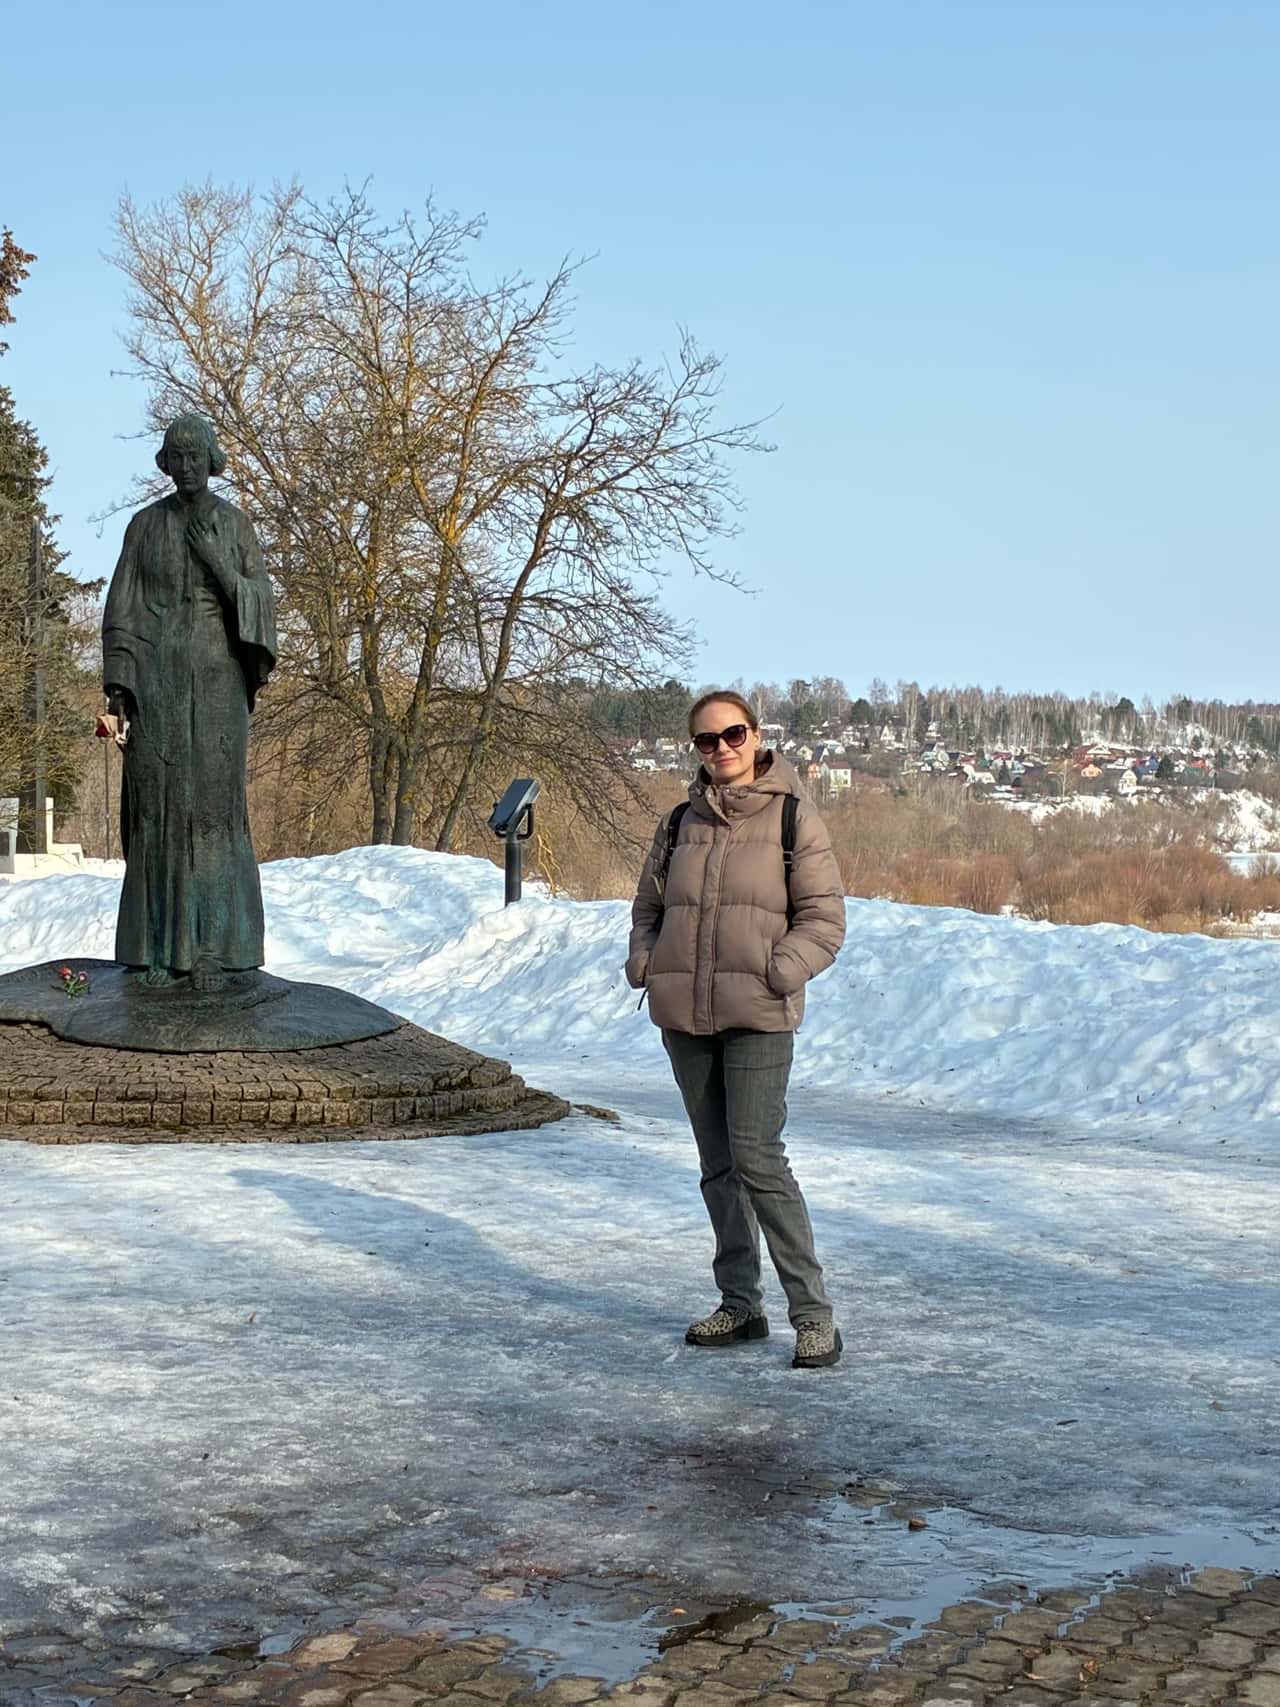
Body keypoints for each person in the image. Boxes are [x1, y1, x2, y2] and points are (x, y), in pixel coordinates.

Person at [626, 691, 847, 1369]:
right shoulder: (677, 821)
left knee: (758, 1159)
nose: (720, 747)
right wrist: (646, 961)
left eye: (732, 733)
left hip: (757, 1015)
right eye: (706, 739)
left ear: (756, 735)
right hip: (685, 1017)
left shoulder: (792, 818)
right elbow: (649, 906)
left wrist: (778, 971)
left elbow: (825, 920)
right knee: (718, 1165)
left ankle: (813, 1317)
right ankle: (740, 1305)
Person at [102, 413, 276, 993]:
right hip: (156, 686)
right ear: (166, 463)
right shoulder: (144, 527)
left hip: (219, 684)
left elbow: (261, 607)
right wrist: (120, 686)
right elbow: (121, 612)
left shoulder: (234, 525)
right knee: (156, 812)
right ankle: (156, 947)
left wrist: (221, 568)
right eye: (176, 457)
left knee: (212, 812)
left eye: (196, 456)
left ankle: (217, 950)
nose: (186, 466)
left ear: (211, 459)